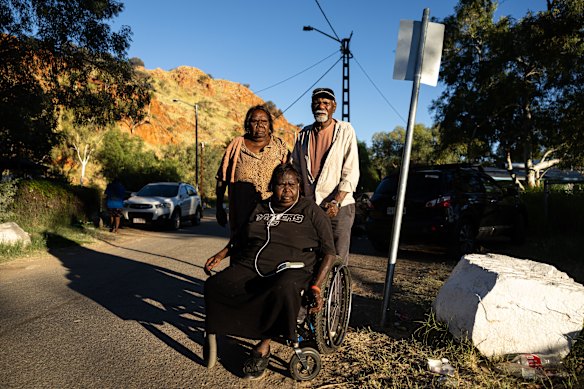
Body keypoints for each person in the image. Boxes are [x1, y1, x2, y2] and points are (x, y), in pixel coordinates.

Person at [204, 163, 336, 380]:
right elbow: (240, 238)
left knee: (281, 288)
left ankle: (264, 344)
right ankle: (216, 330)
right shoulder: (261, 208)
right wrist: (221, 254)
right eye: (280, 185)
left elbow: (329, 252)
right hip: (251, 264)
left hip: (292, 269)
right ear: (271, 187)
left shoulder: (310, 210)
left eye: (291, 185)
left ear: (299, 186)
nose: (286, 190)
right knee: (215, 285)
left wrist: (316, 287)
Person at [291, 87, 360, 264]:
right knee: (310, 254)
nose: (321, 106)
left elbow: (351, 171)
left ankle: (337, 291)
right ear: (312, 106)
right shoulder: (303, 134)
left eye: (326, 103)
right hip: (312, 206)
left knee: (337, 258)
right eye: (317, 102)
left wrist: (336, 201)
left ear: (334, 107)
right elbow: (296, 170)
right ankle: (314, 290)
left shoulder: (345, 130)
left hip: (339, 206)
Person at [215, 105, 290, 236]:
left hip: (272, 213)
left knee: (271, 250)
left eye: (264, 121)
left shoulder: (280, 147)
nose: (260, 125)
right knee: (242, 251)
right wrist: (219, 207)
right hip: (242, 212)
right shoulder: (236, 146)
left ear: (270, 125)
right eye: (255, 121)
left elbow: (290, 179)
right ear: (248, 124)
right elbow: (222, 179)